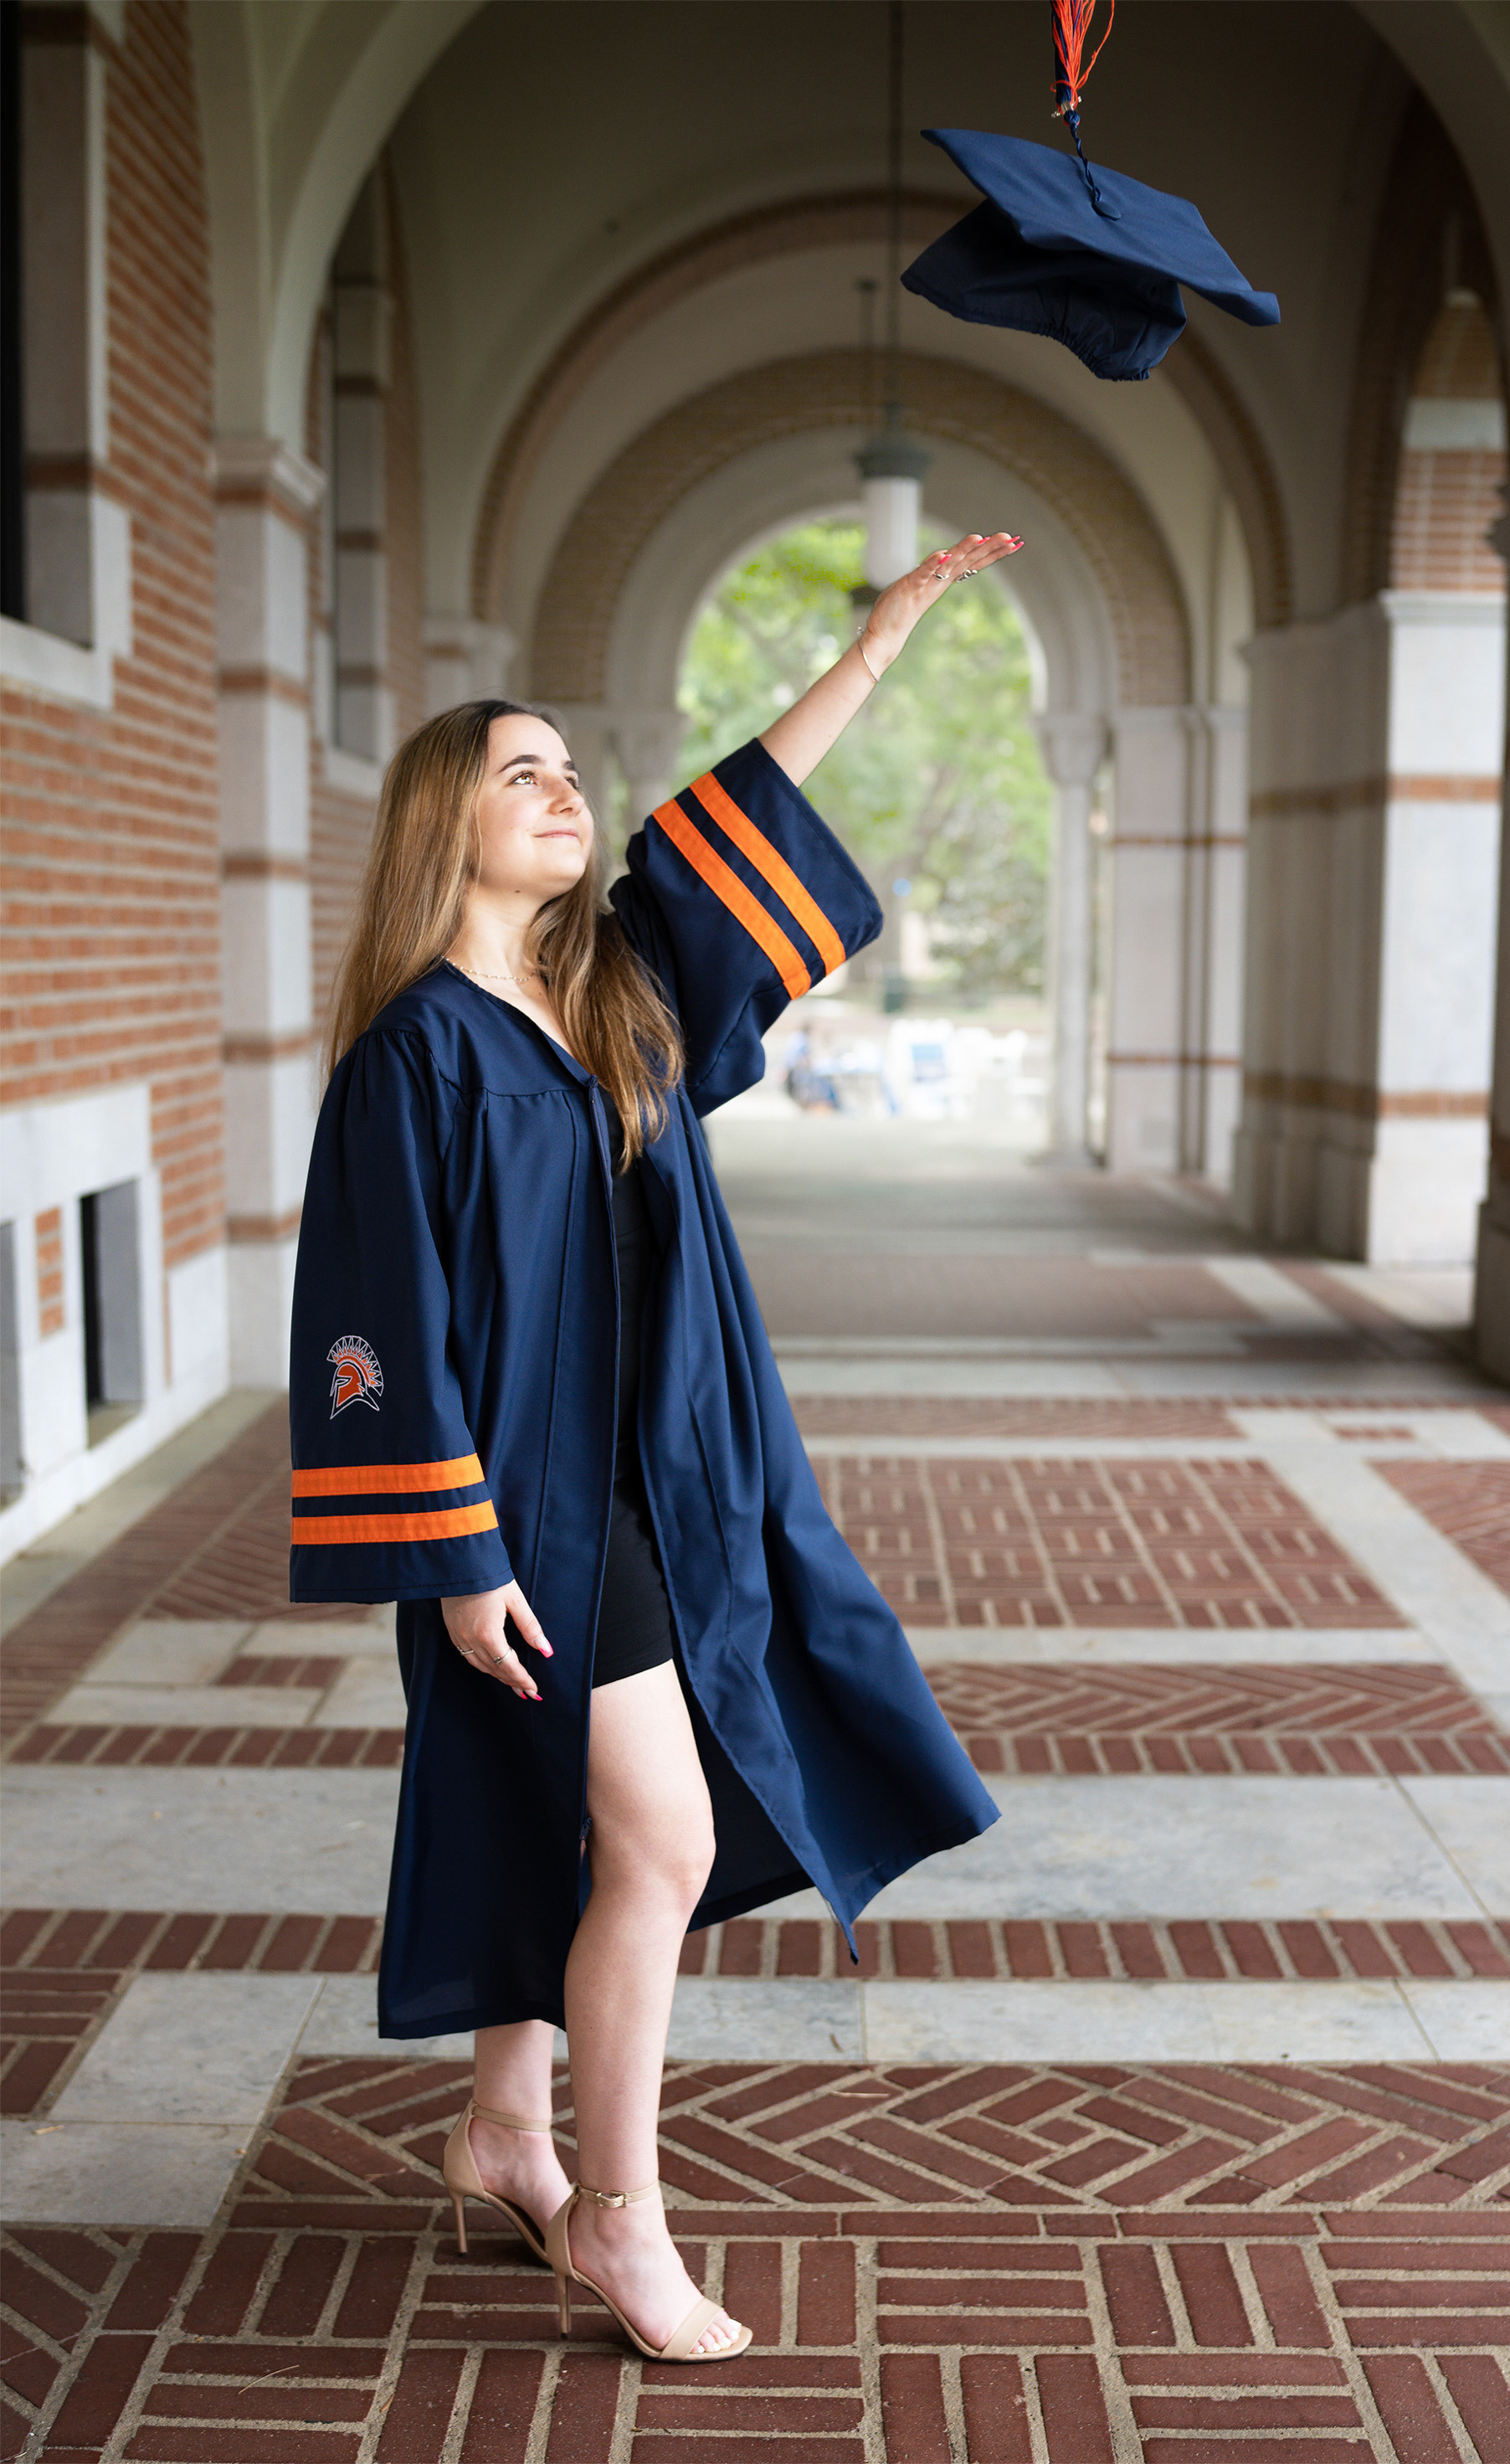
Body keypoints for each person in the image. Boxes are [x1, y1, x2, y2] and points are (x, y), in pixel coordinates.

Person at [289, 532, 1020, 2364]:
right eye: (518, 771)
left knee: (568, 1822)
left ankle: (504, 2129)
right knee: (661, 1838)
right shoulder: (414, 1053)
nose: (563, 791)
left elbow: (736, 817)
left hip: (670, 1469)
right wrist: (453, 1550)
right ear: (443, 823)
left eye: (565, 766)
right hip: (527, 1505)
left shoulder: (616, 1003)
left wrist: (872, 649)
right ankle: (618, 2217)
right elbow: (379, 1316)